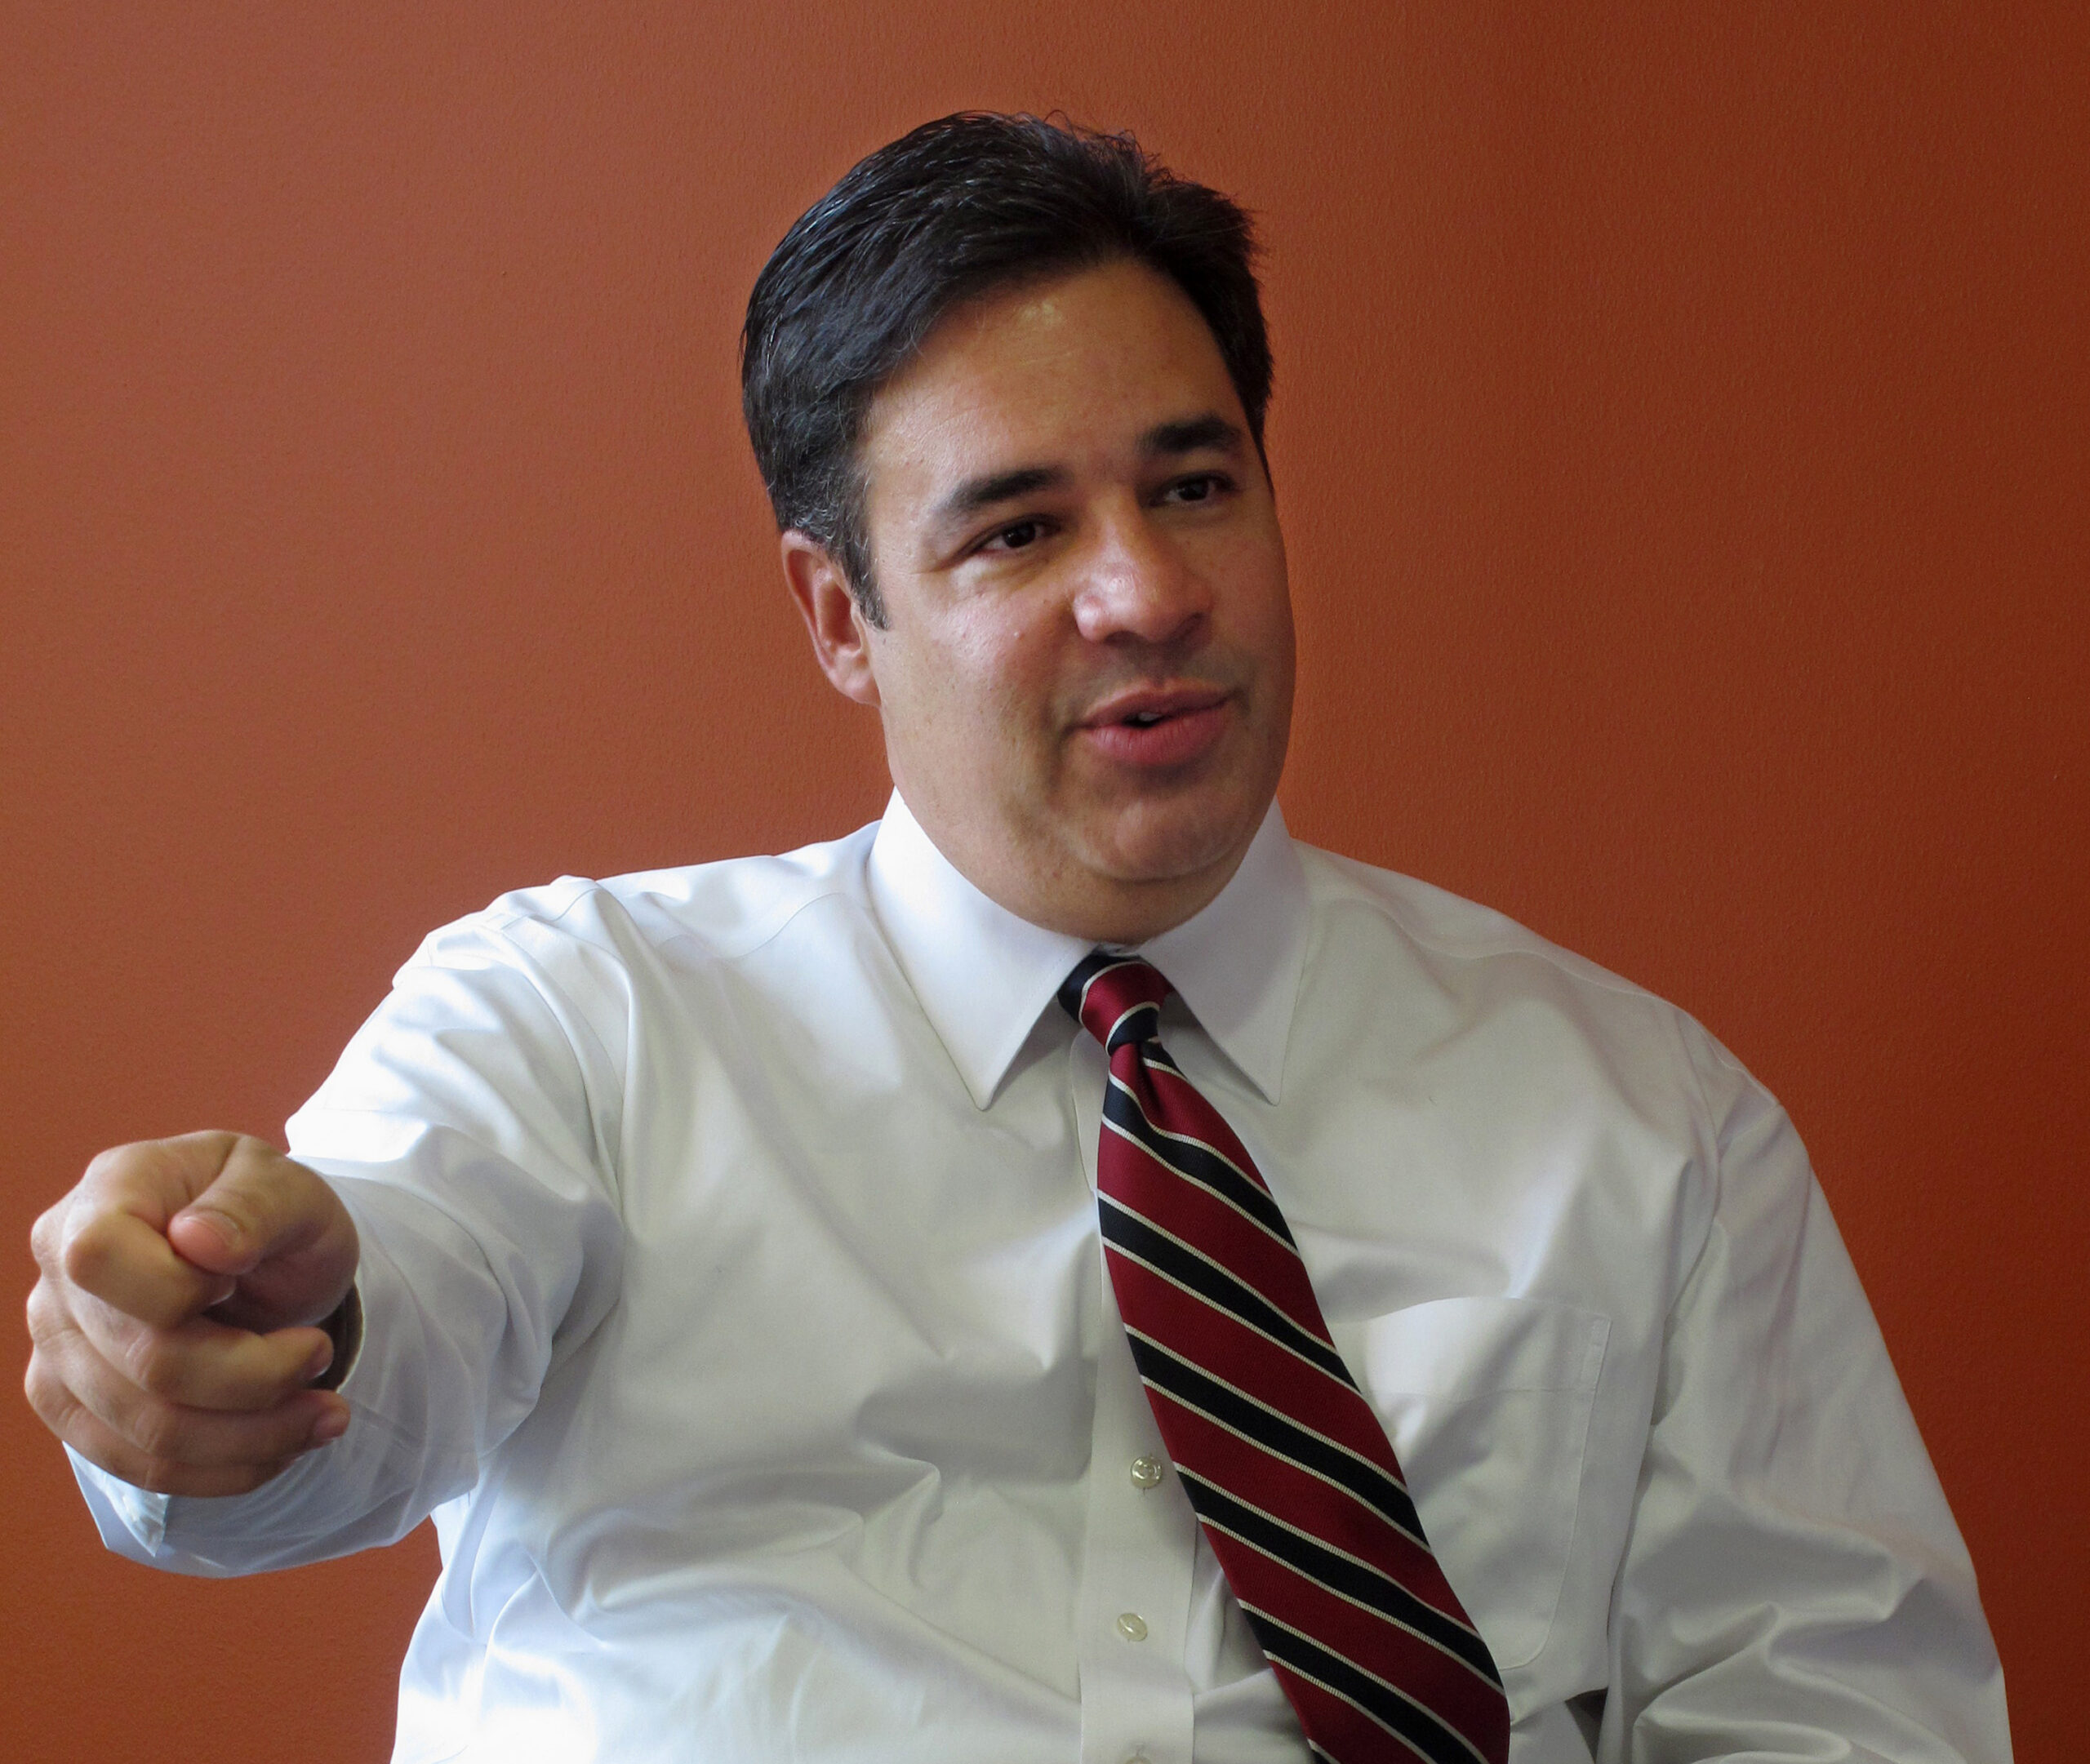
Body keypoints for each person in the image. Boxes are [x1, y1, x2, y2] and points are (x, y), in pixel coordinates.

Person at [24, 113, 2010, 1763]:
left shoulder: (1645, 1125)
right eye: (1017, 531)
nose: (1144, 593)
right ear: (839, 615)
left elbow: (1844, 1715)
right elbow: (380, 1329)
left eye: (1193, 485)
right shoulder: (583, 1020)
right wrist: (254, 1340)